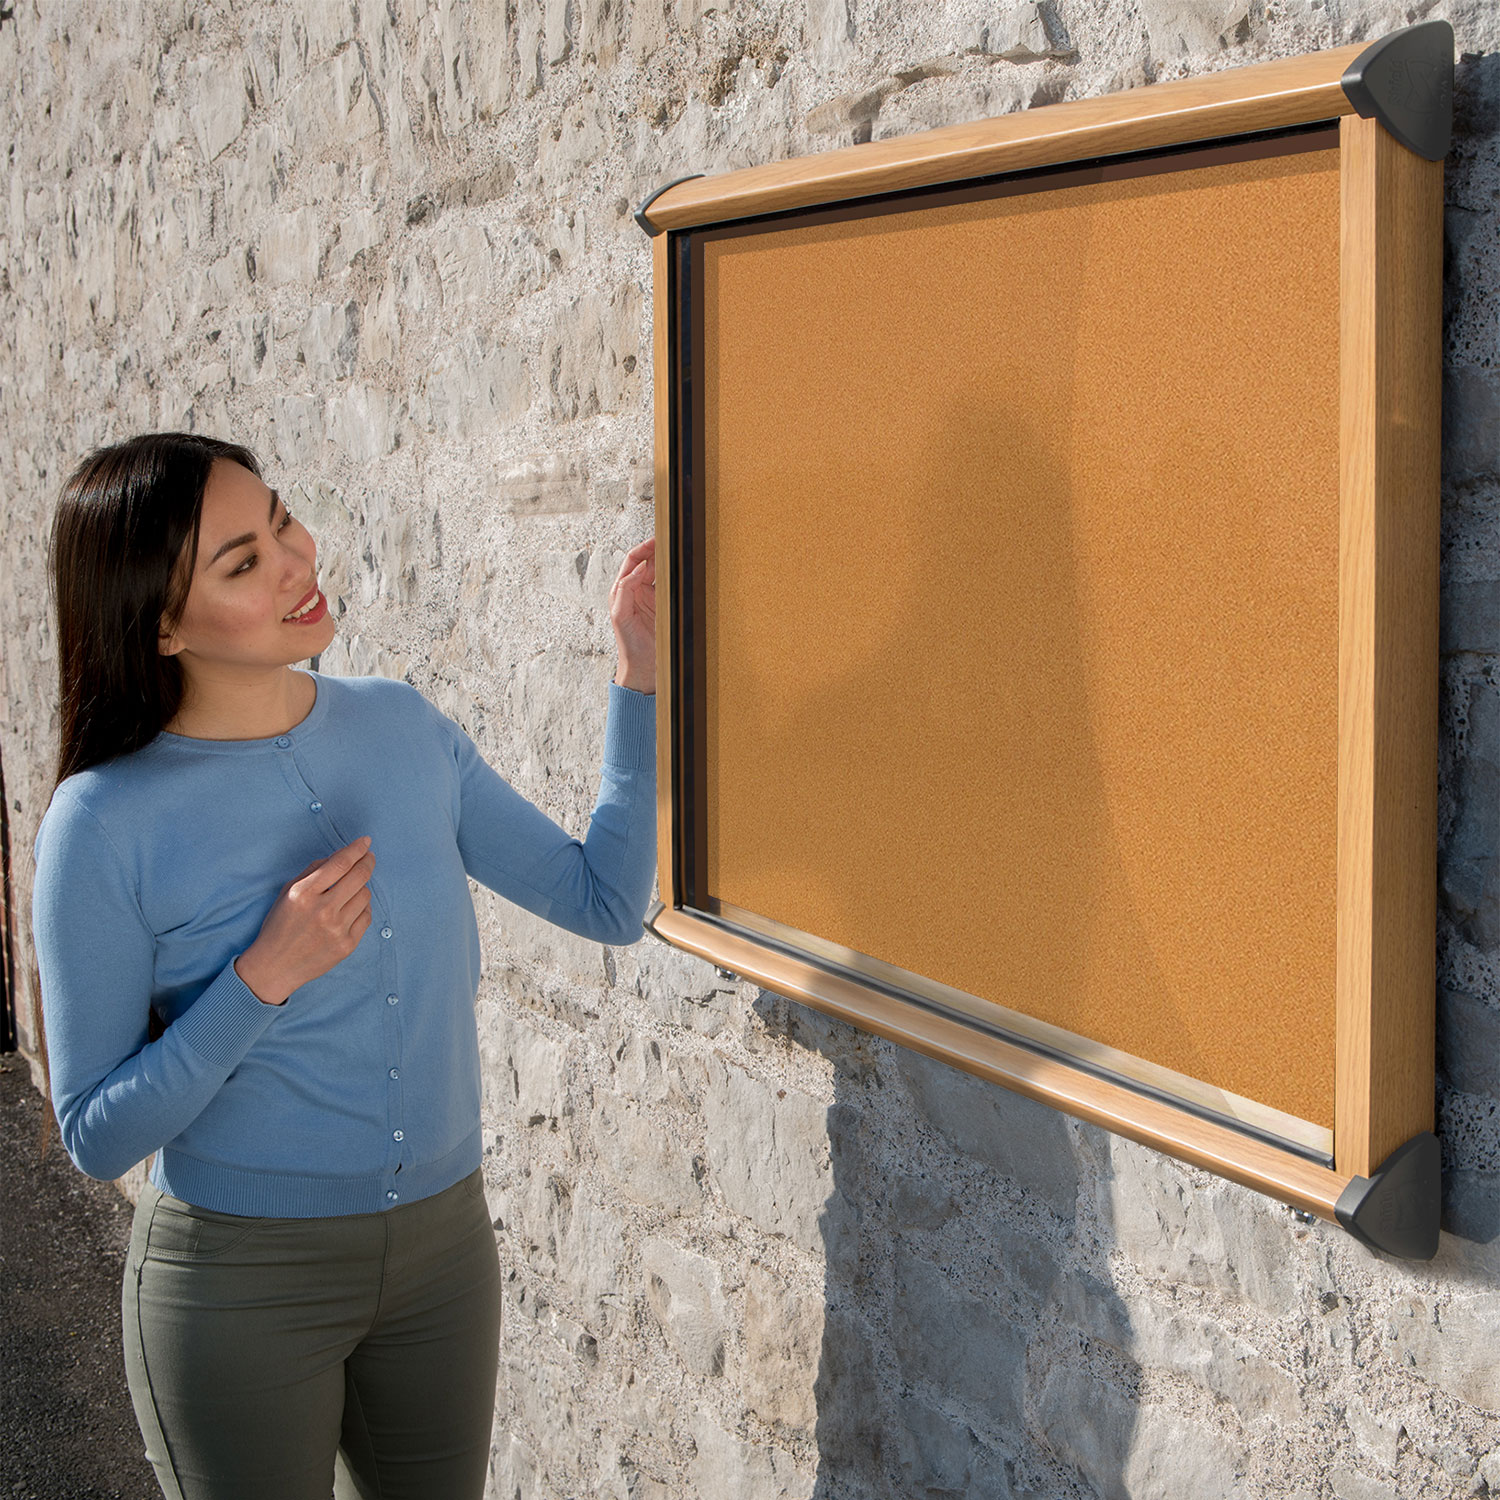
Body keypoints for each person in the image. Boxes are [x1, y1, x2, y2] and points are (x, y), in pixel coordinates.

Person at [31, 432, 658, 1500]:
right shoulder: (100, 823)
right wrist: (259, 980)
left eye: (280, 520)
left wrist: (637, 680)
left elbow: (603, 901)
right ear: (162, 625)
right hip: (239, 1287)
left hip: (444, 1258)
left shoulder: (402, 727)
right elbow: (96, 1134)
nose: (295, 559)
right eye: (243, 561)